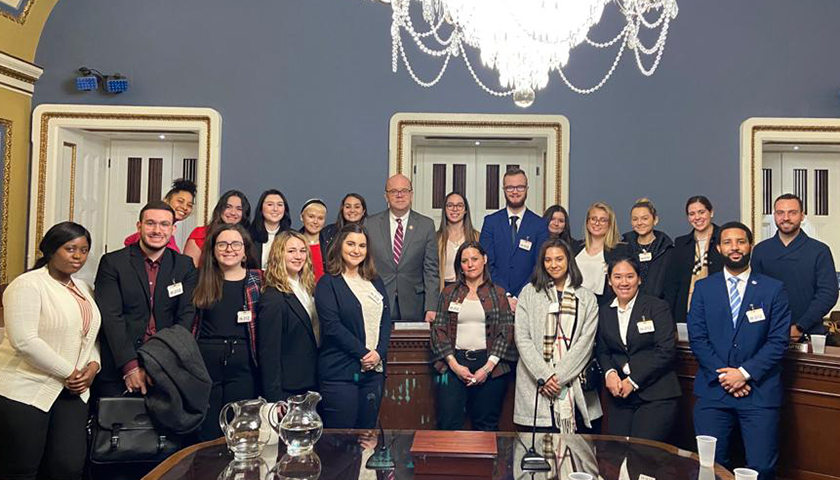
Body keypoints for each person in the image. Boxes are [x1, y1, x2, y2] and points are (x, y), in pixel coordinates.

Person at [688, 222, 790, 480]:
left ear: (750, 246)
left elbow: (778, 341)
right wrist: (727, 376)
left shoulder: (772, 289)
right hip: (714, 391)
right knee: (710, 465)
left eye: (741, 241)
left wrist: (743, 374)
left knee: (762, 466)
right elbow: (698, 339)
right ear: (719, 248)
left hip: (759, 391)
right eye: (728, 242)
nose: (735, 247)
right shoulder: (704, 288)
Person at [0, 222, 101, 480]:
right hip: (25, 391)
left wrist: (93, 367)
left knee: (68, 468)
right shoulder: (27, 285)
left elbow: (91, 337)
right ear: (51, 249)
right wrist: (69, 371)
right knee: (21, 469)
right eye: (70, 249)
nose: (78, 256)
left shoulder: (84, 288)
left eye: (84, 250)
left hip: (73, 393)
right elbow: (24, 341)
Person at [94, 201, 198, 397]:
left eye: (164, 224)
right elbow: (111, 318)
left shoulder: (184, 266)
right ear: (139, 226)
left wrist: (160, 362)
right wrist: (130, 367)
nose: (157, 230)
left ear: (173, 229)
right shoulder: (113, 263)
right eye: (150, 223)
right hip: (119, 366)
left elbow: (186, 316)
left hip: (168, 366)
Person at [513, 237, 602, 433]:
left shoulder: (587, 298)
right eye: (548, 260)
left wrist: (557, 378)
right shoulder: (529, 293)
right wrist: (545, 376)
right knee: (537, 458)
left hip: (575, 389)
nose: (553, 265)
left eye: (559, 259)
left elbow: (585, 343)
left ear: (569, 260)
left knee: (579, 458)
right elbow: (522, 338)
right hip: (536, 388)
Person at [430, 241, 517, 431]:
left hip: (490, 366)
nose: (470, 264)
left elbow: (506, 331)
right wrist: (455, 366)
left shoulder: (498, 293)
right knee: (448, 423)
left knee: (486, 426)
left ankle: (485, 463)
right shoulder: (448, 293)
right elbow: (439, 330)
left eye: (474, 259)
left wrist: (486, 368)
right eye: (464, 261)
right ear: (459, 266)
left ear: (484, 260)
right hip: (453, 365)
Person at [596, 257, 681, 442]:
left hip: (656, 394)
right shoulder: (604, 311)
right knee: (617, 453)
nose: (624, 282)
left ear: (639, 279)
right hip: (620, 397)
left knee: (643, 456)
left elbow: (666, 351)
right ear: (610, 280)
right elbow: (602, 350)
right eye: (617, 277)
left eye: (630, 276)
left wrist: (633, 381)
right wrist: (609, 373)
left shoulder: (657, 307)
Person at [315, 224, 391, 428]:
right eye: (350, 244)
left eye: (362, 245)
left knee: (366, 437)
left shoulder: (375, 281)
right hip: (340, 374)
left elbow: (385, 320)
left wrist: (378, 354)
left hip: (373, 373)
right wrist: (365, 353)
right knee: (341, 444)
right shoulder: (327, 283)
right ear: (340, 246)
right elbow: (332, 327)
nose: (356, 250)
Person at [191, 224, 262, 441]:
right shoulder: (200, 279)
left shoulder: (259, 280)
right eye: (222, 244)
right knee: (207, 429)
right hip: (206, 363)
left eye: (235, 244)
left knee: (239, 428)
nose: (228, 249)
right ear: (213, 250)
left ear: (245, 251)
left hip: (244, 363)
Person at [752, 193, 838, 340]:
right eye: (780, 213)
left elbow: (828, 294)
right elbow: (754, 293)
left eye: (792, 212)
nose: (785, 218)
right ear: (774, 216)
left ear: (802, 215)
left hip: (809, 332)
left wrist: (800, 326)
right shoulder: (761, 250)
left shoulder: (819, 251)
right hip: (768, 333)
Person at [367, 174, 439, 322]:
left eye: (404, 191)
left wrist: (431, 306)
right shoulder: (370, 224)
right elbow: (364, 266)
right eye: (393, 191)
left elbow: (431, 270)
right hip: (377, 301)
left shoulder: (426, 225)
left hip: (414, 304)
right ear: (386, 196)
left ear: (411, 195)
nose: (399, 195)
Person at [259, 230, 320, 401]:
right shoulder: (273, 297)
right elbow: (268, 352)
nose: (298, 256)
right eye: (291, 251)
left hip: (311, 381)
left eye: (302, 251)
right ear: (279, 255)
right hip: (287, 389)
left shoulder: (308, 288)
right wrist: (274, 398)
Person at [480, 167, 549, 308]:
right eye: (510, 187)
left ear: (527, 189)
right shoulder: (490, 222)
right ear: (503, 189)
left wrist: (519, 296)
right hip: (495, 297)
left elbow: (540, 265)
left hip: (530, 297)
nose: (515, 191)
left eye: (520, 187)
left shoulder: (540, 225)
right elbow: (486, 262)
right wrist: (504, 295)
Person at [664, 195, 724, 324]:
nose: (697, 217)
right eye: (692, 214)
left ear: (711, 212)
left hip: (720, 307)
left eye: (701, 212)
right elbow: (672, 284)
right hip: (687, 309)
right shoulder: (681, 243)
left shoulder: (724, 238)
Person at [574, 202, 631, 306]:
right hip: (573, 304)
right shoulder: (574, 247)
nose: (597, 223)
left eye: (603, 220)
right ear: (587, 222)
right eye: (593, 219)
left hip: (603, 306)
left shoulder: (620, 250)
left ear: (610, 224)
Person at [123, 178, 197, 252]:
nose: (184, 207)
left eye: (189, 205)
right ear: (166, 200)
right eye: (180, 201)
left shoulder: (169, 232)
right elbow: (129, 241)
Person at [184, 190, 252, 267]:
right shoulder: (201, 233)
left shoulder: (248, 237)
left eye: (239, 209)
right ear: (220, 209)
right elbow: (188, 270)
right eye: (228, 207)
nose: (233, 212)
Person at [621, 198, 674, 298]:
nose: (639, 223)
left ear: (655, 220)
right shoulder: (624, 248)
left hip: (659, 307)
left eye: (645, 218)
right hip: (629, 305)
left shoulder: (667, 249)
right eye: (635, 219)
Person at [436, 191, 479, 289]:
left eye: (459, 205)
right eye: (450, 205)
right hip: (444, 289)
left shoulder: (477, 237)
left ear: (465, 210)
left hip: (470, 289)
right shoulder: (436, 238)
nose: (455, 209)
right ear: (445, 210)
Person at [249, 189, 292, 270]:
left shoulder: (292, 237)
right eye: (270, 204)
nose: (275, 209)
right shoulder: (248, 236)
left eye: (280, 205)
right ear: (261, 208)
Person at [299, 199, 329, 281]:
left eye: (320, 218)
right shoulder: (291, 242)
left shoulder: (330, 244)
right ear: (302, 217)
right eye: (311, 217)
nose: (315, 221)